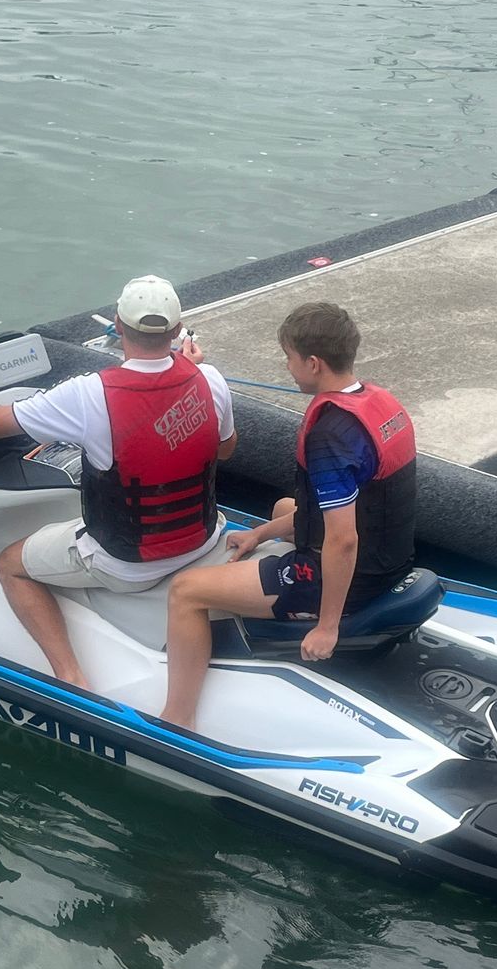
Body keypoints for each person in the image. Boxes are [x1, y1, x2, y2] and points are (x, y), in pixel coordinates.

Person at [0, 276, 236, 688]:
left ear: (118, 326)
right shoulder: (209, 379)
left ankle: (70, 675)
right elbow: (225, 449)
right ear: (178, 330)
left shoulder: (89, 395)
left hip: (127, 564)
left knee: (10, 564)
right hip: (202, 538)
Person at [161, 300, 416, 732]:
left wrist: (328, 627)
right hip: (389, 556)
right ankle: (276, 547)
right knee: (283, 508)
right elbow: (345, 511)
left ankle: (178, 718)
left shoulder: (331, 436)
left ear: (313, 363)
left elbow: (343, 540)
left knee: (186, 591)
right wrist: (259, 535)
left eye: (290, 357)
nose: (287, 367)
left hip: (349, 578)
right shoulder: (378, 401)